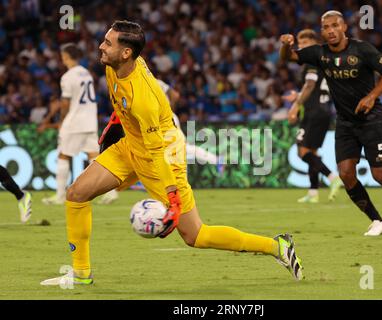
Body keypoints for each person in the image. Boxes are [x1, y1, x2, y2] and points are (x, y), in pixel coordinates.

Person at [41, 20, 303, 286]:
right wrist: (115, 123)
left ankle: (275, 246)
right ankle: (81, 273)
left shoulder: (144, 98)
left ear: (126, 53)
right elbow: (124, 103)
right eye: (104, 39)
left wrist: (172, 199)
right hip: (132, 144)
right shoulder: (115, 66)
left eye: (108, 43)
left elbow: (158, 153)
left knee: (195, 236)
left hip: (163, 156)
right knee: (76, 194)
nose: (101, 46)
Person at [279, 11, 382, 236]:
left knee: (380, 176)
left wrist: (372, 95)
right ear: (322, 31)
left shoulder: (362, 49)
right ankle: (377, 221)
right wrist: (286, 45)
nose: (331, 30)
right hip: (345, 122)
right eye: (326, 27)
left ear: (344, 26)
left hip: (371, 119)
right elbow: (288, 58)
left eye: (335, 25)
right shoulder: (319, 53)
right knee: (346, 173)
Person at [39, 43, 118, 205]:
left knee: (63, 155)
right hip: (89, 121)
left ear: (66, 56)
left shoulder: (68, 76)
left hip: (74, 122)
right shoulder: (86, 73)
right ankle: (110, 192)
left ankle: (60, 195)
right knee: (95, 157)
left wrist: (61, 120)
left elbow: (65, 103)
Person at [285, 29, 342, 203]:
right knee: (312, 152)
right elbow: (316, 87)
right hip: (325, 111)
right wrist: (298, 96)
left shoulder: (312, 62)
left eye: (305, 44)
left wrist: (295, 106)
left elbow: (310, 85)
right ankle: (313, 193)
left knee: (302, 152)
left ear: (314, 44)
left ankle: (333, 178)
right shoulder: (324, 62)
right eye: (300, 44)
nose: (301, 47)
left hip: (313, 112)